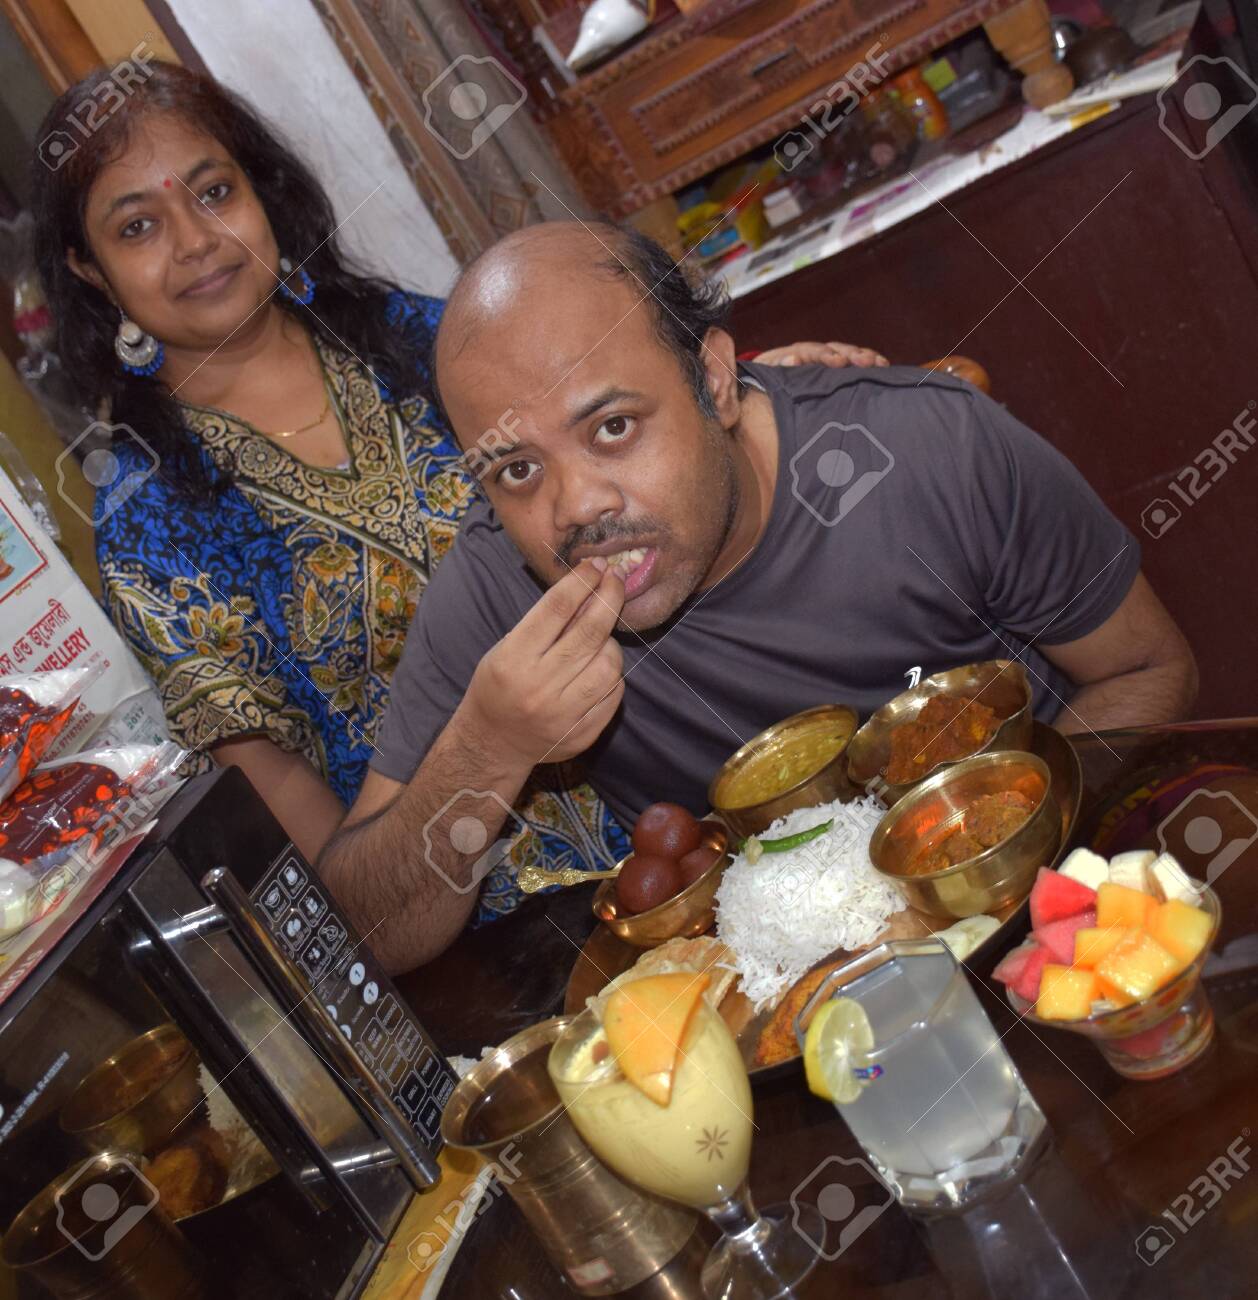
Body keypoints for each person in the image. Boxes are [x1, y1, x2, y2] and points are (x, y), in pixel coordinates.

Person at [32, 63, 885, 919]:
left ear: (262, 189)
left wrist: (755, 393)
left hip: (693, 780)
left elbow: (626, 414)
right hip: (492, 919)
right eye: (138, 226)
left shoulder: (414, 339)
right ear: (91, 270)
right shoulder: (150, 531)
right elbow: (333, 886)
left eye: (215, 191)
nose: (196, 241)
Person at [320, 220, 1198, 971]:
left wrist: (966, 877)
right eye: (517, 468)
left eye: (614, 428)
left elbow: (1153, 669)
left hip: (1079, 921)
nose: (577, 505)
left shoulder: (921, 449)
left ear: (712, 382)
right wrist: (487, 748)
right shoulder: (497, 588)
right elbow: (365, 937)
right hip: (799, 1021)